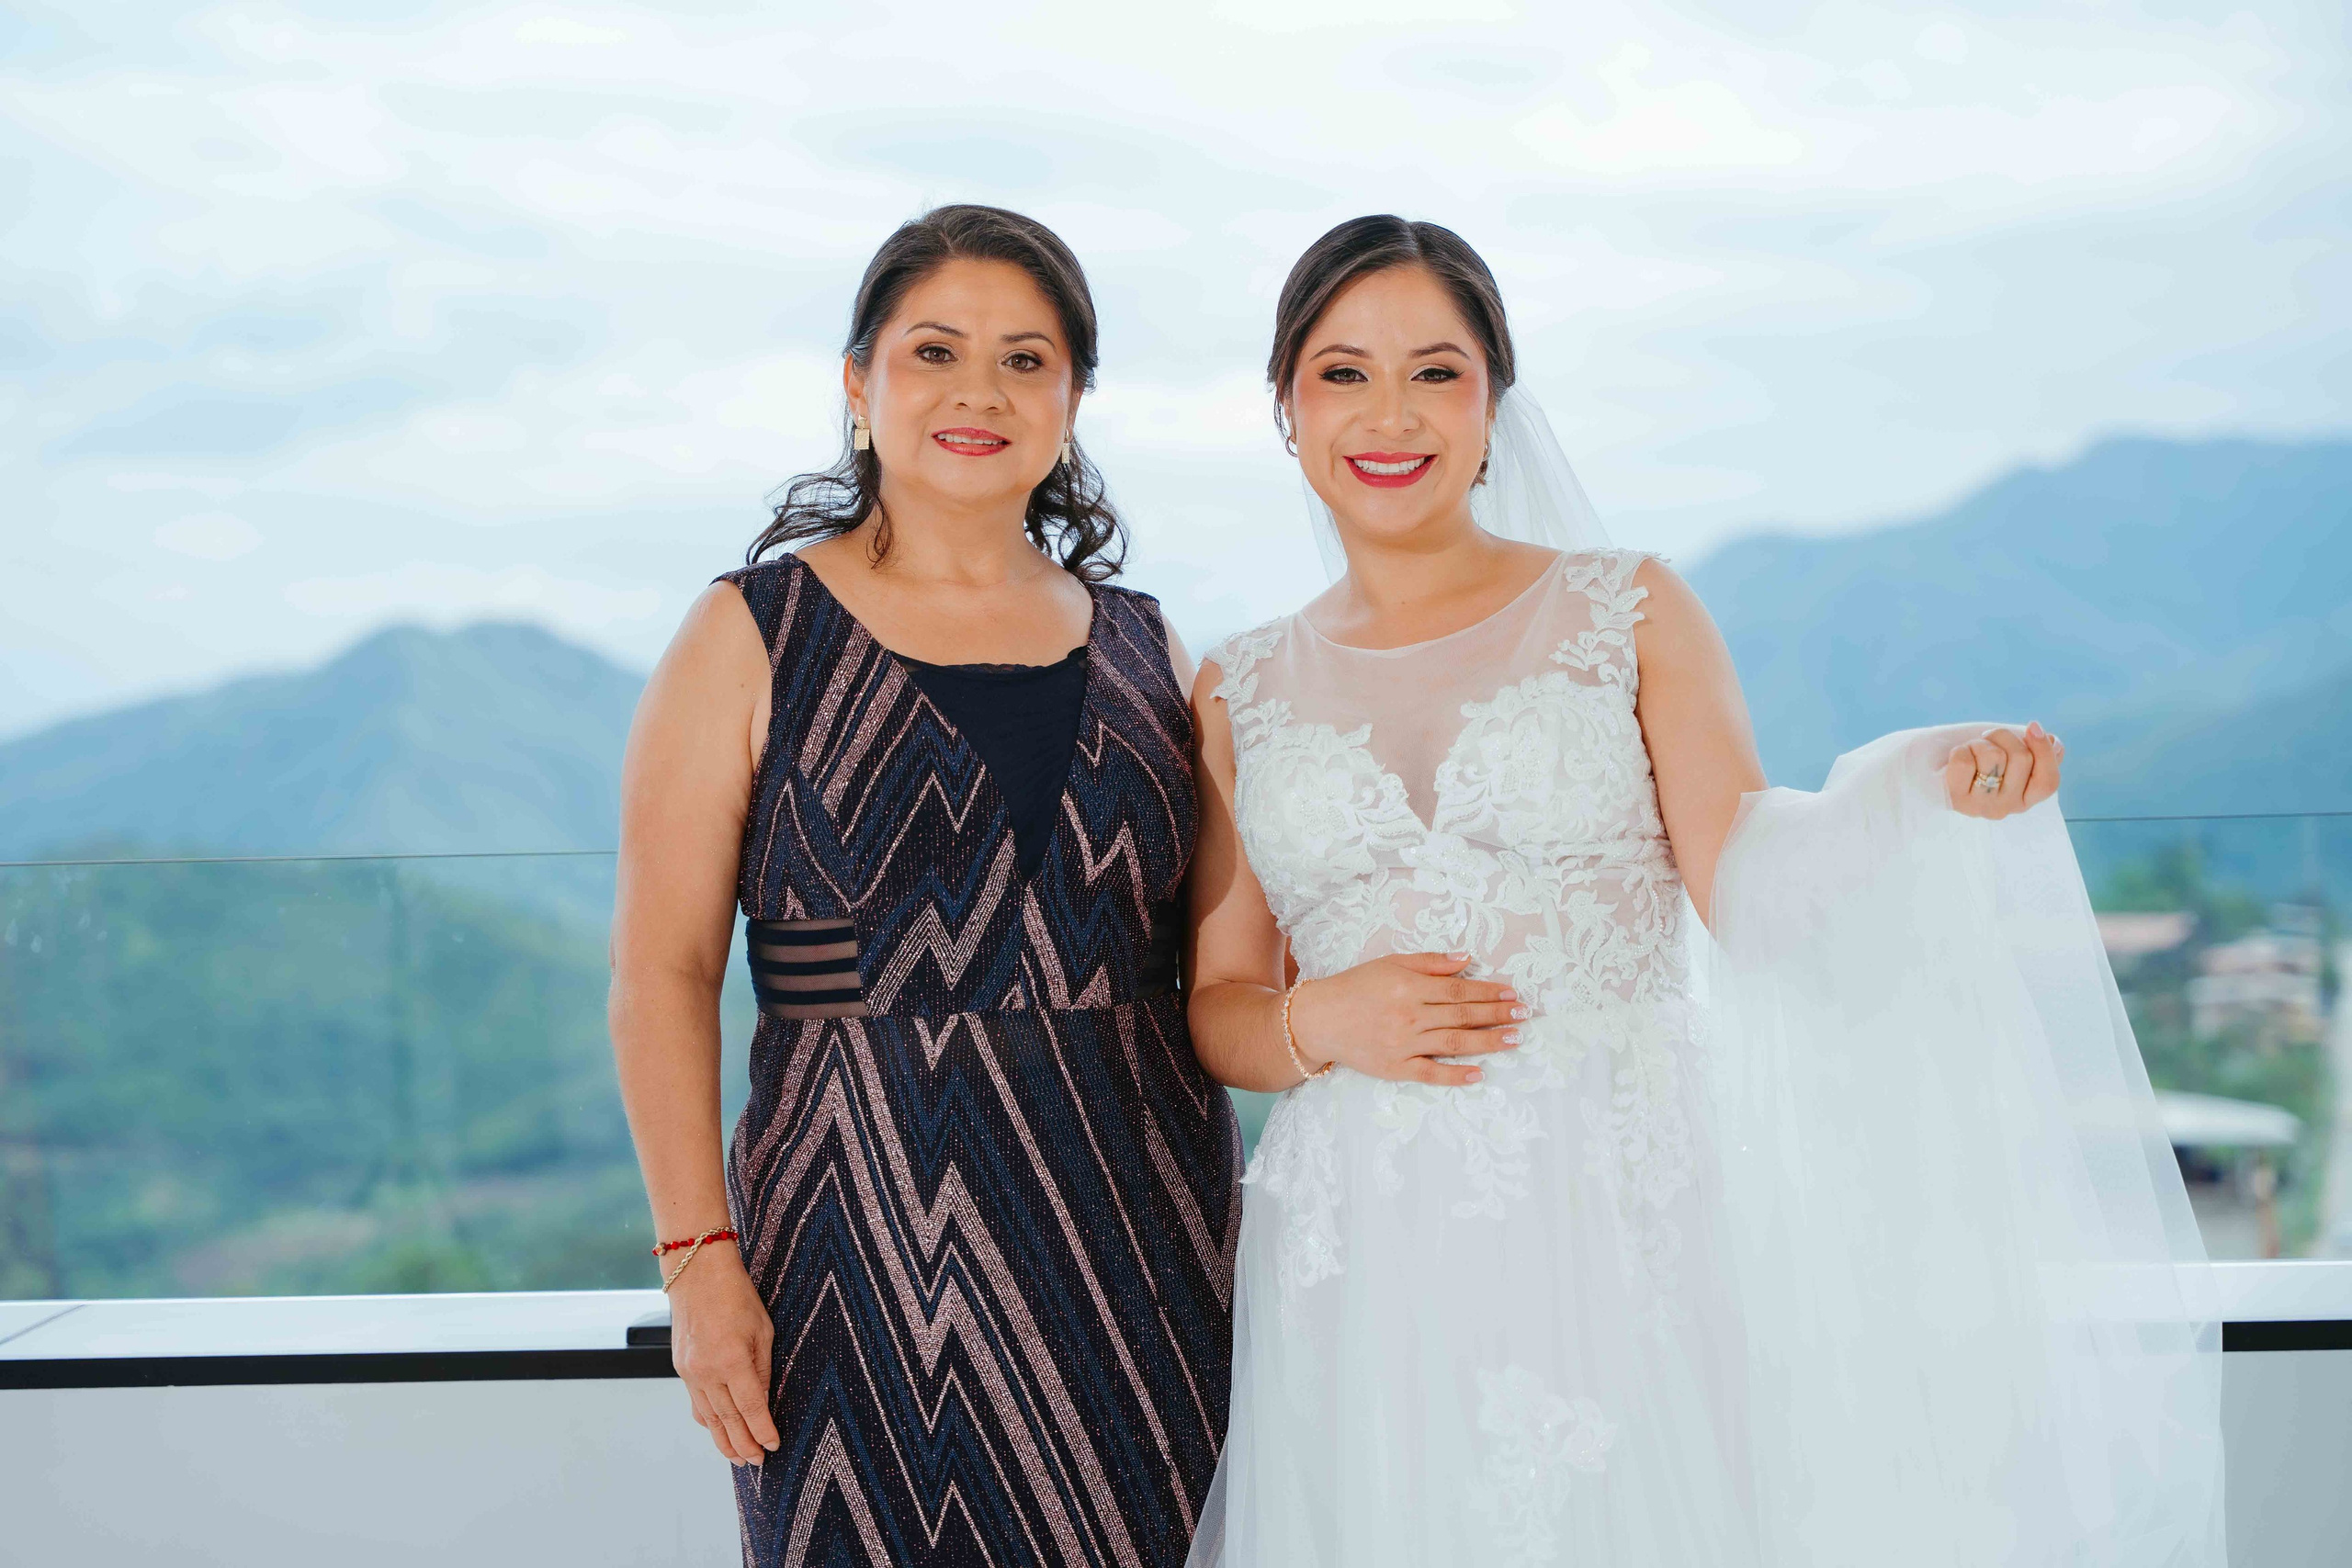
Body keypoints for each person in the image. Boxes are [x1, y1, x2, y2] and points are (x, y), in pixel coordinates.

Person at [1184, 216, 2223, 1566]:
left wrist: (1908, 782)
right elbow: (1217, 1003)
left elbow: (1745, 876)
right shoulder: (1237, 683)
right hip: (1356, 1258)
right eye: (1343, 373)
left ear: (1496, 400)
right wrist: (1323, 1026)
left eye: (1436, 371)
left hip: (1613, 1220)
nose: (1392, 413)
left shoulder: (1627, 609)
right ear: (1286, 405)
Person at [611, 204, 1240, 1568]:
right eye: (935, 351)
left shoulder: (1149, 647)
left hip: (1130, 1253)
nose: (980, 391)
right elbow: (660, 974)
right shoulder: (748, 631)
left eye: (1027, 359)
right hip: (847, 1241)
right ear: (859, 384)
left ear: (1073, 399)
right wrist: (695, 1259)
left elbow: (1233, 961)